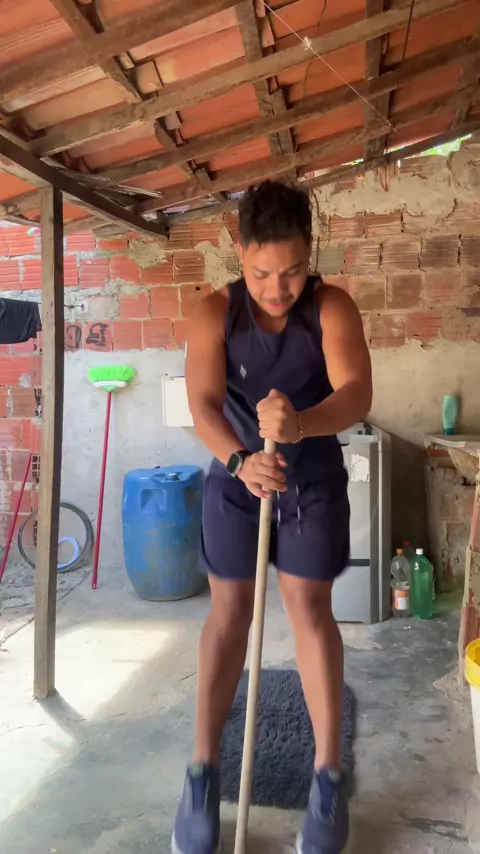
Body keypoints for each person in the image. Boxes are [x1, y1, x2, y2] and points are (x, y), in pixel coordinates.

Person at [172, 180, 372, 854]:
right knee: (229, 614)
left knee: (310, 611)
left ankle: (327, 778)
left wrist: (301, 425)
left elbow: (357, 393)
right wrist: (239, 461)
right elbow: (202, 404)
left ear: (309, 253)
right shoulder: (214, 314)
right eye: (261, 273)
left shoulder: (331, 307)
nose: (277, 288)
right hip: (237, 479)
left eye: (291, 271)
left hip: (311, 479)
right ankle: (201, 776)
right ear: (240, 255)